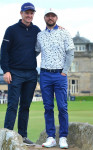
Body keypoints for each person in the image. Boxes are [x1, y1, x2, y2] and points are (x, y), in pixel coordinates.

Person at [0, 2, 41, 145]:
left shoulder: (37, 30)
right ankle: (7, 136)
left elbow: (46, 41)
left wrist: (57, 28)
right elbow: (3, 52)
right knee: (12, 105)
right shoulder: (11, 30)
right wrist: (6, 71)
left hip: (31, 74)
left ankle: (22, 136)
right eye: (26, 13)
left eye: (31, 13)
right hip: (15, 73)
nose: (29, 15)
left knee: (25, 106)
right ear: (21, 13)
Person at [35, 8, 75, 149]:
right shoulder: (40, 35)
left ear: (56, 18)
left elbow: (70, 53)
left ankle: (63, 137)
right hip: (45, 74)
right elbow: (35, 51)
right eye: (48, 16)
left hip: (59, 74)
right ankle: (51, 137)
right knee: (48, 107)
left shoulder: (64, 32)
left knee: (62, 107)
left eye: (53, 16)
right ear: (45, 18)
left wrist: (64, 71)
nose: (50, 18)